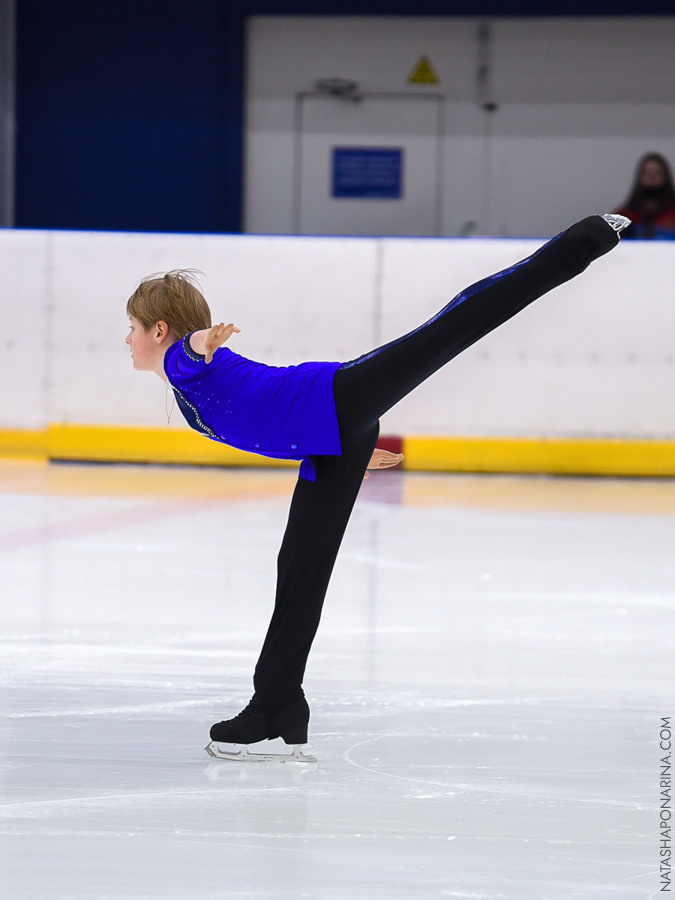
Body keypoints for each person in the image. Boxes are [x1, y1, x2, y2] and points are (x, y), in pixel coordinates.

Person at [125, 213, 628, 761]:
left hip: (335, 398)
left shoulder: (185, 364)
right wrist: (350, 448)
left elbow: (193, 349)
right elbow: (260, 421)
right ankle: (278, 703)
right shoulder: (189, 387)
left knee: (452, 326)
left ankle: (582, 241)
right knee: (299, 572)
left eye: (132, 327)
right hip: (327, 440)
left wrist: (203, 339)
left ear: (159, 331)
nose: (127, 339)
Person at [613, 152, 675, 239]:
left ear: (665, 176)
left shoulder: (672, 214)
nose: (652, 178)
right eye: (647, 173)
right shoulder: (625, 216)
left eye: (657, 173)